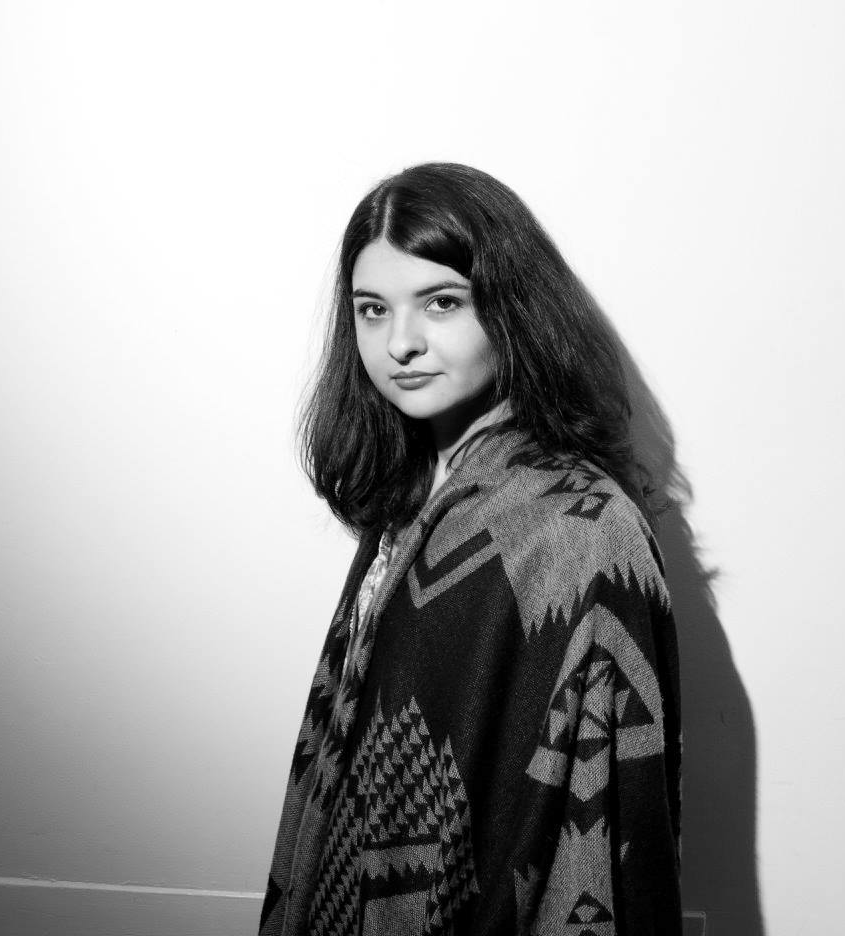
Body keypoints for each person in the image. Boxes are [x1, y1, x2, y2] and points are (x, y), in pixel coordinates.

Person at [261, 163, 681, 935]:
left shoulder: (581, 527)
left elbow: (610, 811)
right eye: (372, 310)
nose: (401, 343)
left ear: (512, 307)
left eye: (442, 303)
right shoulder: (414, 490)